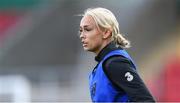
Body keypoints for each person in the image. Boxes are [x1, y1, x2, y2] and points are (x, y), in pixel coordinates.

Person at [79, 7, 155, 102]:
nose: (82, 35)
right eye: (81, 30)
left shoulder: (115, 63)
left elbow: (145, 100)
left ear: (106, 32)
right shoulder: (103, 65)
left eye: (88, 29)